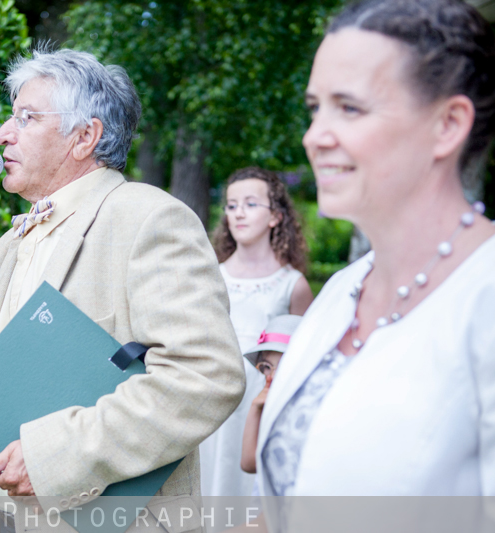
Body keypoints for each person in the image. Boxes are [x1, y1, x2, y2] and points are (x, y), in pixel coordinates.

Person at [0, 48, 246, 531]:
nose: (1, 135)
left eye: (26, 118)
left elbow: (205, 377)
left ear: (84, 137)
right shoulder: (14, 240)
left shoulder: (149, 219)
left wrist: (55, 457)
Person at [256, 0, 495, 498]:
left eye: (349, 108)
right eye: (315, 108)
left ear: (448, 125)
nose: (314, 136)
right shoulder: (340, 292)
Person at [199, 167, 312, 500]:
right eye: (231, 205)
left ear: (276, 216)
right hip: (211, 403)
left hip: (257, 409)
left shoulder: (293, 285)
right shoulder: (209, 275)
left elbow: (300, 361)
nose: (238, 213)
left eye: (250, 204)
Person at [238, 314, 302, 475]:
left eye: (283, 367)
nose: (271, 376)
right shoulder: (266, 407)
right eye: (266, 366)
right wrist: (255, 408)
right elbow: (248, 464)